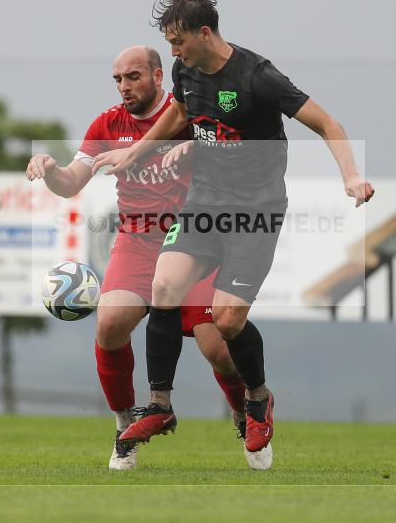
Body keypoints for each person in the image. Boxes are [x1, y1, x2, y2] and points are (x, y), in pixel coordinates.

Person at [92, 0, 374, 455]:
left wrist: (350, 176)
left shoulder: (257, 75)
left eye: (178, 41)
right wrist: (136, 153)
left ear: (205, 33)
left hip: (256, 211)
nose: (173, 52)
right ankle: (159, 403)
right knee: (164, 286)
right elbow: (181, 109)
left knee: (225, 321)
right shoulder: (186, 69)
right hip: (205, 202)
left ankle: (259, 398)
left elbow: (329, 124)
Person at [26, 45, 269, 470]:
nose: (124, 86)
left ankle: (244, 414)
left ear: (159, 76)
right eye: (118, 79)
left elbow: (230, 149)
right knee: (110, 322)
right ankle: (125, 428)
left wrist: (195, 150)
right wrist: (49, 169)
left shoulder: (186, 113)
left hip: (194, 239)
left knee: (218, 346)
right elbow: (70, 183)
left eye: (133, 76)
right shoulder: (106, 124)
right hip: (137, 241)